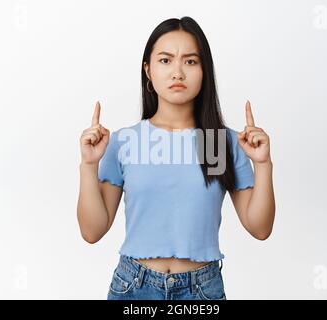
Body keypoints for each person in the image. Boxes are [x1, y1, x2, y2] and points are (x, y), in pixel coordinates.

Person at [77, 16, 275, 300]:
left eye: (191, 61)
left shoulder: (214, 142)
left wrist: (263, 164)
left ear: (204, 70)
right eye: (166, 60)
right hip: (134, 288)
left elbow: (260, 228)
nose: (178, 72)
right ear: (148, 69)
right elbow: (92, 231)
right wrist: (88, 164)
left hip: (200, 292)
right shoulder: (125, 141)